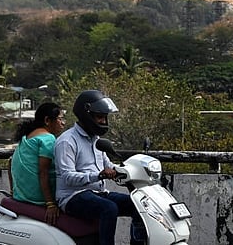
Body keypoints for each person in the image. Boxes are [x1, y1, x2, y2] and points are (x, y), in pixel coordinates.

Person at [54, 90, 145, 245]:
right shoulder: (67, 141)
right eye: (99, 117)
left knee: (138, 205)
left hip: (97, 192)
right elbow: (67, 176)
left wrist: (127, 170)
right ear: (86, 115)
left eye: (104, 117)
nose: (103, 121)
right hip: (71, 197)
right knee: (108, 208)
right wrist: (99, 175)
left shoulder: (95, 139)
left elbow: (107, 164)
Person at [8, 102, 66, 226]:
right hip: (38, 199)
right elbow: (43, 172)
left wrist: (13, 193)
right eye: (60, 119)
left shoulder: (26, 137)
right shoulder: (48, 139)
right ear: (47, 120)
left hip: (21, 196)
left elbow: (9, 163)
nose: (63, 123)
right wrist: (50, 204)